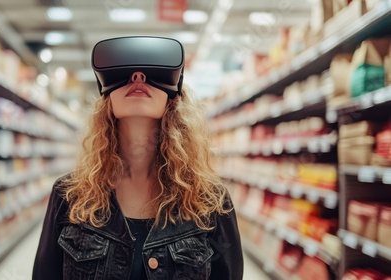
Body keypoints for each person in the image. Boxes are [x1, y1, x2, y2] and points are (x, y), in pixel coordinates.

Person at [33, 36, 243, 280]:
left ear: (174, 93)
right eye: (125, 72)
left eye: (151, 71)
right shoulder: (69, 196)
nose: (138, 77)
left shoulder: (210, 202)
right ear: (106, 98)